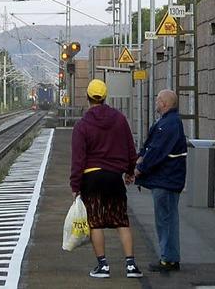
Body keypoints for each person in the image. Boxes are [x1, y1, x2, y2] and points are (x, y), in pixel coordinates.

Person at [70, 79, 143, 279]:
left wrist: (75, 185)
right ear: (104, 97)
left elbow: (78, 158)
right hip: (113, 177)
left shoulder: (82, 124)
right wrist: (129, 171)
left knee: (95, 222)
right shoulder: (119, 119)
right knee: (121, 221)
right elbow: (130, 149)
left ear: (88, 98)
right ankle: (131, 265)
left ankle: (103, 266)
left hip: (91, 178)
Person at [135, 89, 187, 272]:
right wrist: (141, 157)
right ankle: (168, 256)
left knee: (165, 220)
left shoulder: (169, 124)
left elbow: (157, 151)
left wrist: (139, 168)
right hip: (166, 179)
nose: (156, 102)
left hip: (167, 180)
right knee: (165, 219)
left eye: (158, 100)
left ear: (165, 103)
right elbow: (151, 147)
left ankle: (169, 259)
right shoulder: (168, 122)